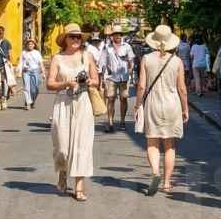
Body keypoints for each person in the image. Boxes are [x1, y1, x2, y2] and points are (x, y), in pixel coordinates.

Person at [47, 23, 100, 202]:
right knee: (62, 147)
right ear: (65, 40)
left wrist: (87, 82)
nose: (76, 40)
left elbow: (96, 80)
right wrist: (65, 83)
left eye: (78, 37)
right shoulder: (57, 58)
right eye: (72, 37)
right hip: (63, 102)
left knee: (82, 145)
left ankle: (79, 186)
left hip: (83, 102)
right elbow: (50, 84)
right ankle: (62, 171)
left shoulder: (87, 56)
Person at [133, 25, 188, 195]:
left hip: (153, 104)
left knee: (152, 142)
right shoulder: (177, 61)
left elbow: (141, 86)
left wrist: (137, 104)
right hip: (172, 104)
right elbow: (182, 89)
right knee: (170, 145)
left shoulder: (146, 59)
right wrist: (185, 108)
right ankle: (166, 182)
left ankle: (156, 172)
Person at [99, 26, 136, 131]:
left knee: (123, 98)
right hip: (111, 77)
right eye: (116, 34)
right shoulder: (107, 47)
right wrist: (102, 78)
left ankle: (123, 121)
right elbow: (102, 62)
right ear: (112, 36)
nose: (118, 36)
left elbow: (131, 60)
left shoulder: (127, 46)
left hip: (124, 77)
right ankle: (110, 122)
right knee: (110, 99)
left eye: (120, 34)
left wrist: (130, 69)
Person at [17, 38, 44, 110]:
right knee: (26, 87)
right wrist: (19, 71)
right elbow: (20, 62)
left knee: (35, 89)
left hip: (35, 71)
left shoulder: (37, 52)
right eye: (29, 44)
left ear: (34, 45)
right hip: (26, 71)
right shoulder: (24, 52)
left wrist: (43, 73)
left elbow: (41, 63)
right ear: (26, 45)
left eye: (32, 44)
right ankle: (28, 103)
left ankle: (32, 100)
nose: (30, 45)